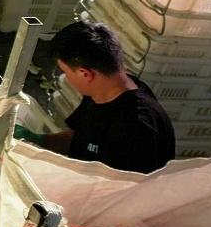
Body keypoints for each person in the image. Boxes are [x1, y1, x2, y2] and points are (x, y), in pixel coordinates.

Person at [41, 19, 176, 173]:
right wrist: (38, 141)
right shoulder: (100, 91)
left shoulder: (136, 126)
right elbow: (77, 139)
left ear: (85, 74)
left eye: (65, 71)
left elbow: (122, 185)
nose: (66, 77)